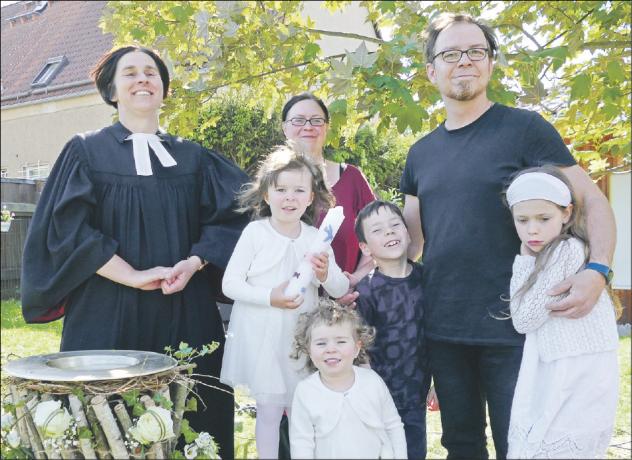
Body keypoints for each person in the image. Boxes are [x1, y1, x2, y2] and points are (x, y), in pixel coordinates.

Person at [400, 13, 617, 459]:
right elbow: (410, 244)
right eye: (450, 54)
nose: (464, 61)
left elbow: (593, 202)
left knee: (520, 444)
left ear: (490, 63)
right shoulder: (420, 153)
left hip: (518, 327)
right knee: (461, 445)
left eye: (476, 51)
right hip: (444, 328)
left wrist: (597, 270)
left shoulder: (526, 129)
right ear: (431, 70)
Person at [20, 46, 249, 459]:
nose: (142, 79)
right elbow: (65, 227)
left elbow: (238, 215)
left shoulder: (194, 157)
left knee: (195, 421)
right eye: (130, 73)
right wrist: (131, 275)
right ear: (111, 89)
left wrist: (194, 262)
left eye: (151, 73)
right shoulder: (85, 152)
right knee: (103, 426)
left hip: (184, 304)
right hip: (106, 307)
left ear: (164, 89)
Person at [219, 144, 349, 459]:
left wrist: (325, 272)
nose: (289, 197)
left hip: (301, 338)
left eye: (298, 190)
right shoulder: (255, 233)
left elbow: (340, 287)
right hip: (263, 335)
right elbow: (230, 284)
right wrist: (269, 297)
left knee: (302, 411)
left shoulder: (315, 238)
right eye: (281, 189)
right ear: (266, 194)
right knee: (268, 411)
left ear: (310, 197)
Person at [503, 166, 619, 459]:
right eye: (522, 220)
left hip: (572, 373)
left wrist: (525, 259)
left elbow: (523, 319)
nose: (532, 230)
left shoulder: (565, 251)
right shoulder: (557, 251)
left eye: (544, 219)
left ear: (567, 213)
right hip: (563, 364)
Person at [354, 200, 431, 459]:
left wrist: (438, 383)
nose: (389, 232)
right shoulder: (366, 290)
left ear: (408, 233)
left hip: (415, 393)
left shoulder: (427, 279)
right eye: (377, 230)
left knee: (413, 451)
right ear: (365, 247)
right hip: (379, 398)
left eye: (395, 225)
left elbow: (435, 334)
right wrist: (367, 390)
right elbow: (359, 347)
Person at [290, 299, 407, 459]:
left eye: (341, 341)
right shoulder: (305, 392)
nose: (331, 349)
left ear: (357, 348)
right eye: (321, 343)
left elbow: (393, 426)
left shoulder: (372, 381)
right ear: (308, 350)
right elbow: (301, 443)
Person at [281, 92, 376, 285]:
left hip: (343, 307)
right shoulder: (272, 184)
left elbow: (377, 237)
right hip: (287, 304)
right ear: (285, 127)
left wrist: (353, 281)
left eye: (316, 120)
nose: (308, 126)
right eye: (298, 120)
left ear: (326, 127)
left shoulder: (352, 178)